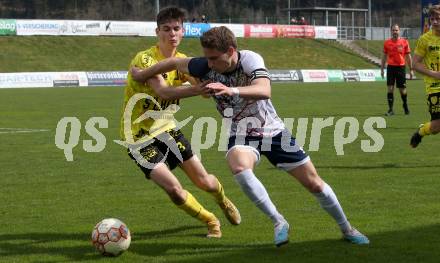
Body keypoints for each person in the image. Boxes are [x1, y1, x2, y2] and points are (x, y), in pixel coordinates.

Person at [131, 26, 369, 247]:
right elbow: (172, 63)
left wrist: (231, 90)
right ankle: (278, 221)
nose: (210, 64)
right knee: (239, 167)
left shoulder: (249, 59)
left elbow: (264, 90)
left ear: (231, 51)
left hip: (273, 131)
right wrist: (143, 75)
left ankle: (347, 229)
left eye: (215, 58)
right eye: (207, 58)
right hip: (241, 133)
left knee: (314, 183)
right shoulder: (204, 65)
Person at [120, 7, 241, 239]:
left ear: (183, 32)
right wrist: (197, 88)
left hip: (167, 129)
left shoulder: (184, 61)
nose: (171, 34)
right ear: (157, 32)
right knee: (174, 189)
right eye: (166, 29)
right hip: (138, 137)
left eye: (176, 29)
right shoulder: (144, 59)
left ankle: (222, 201)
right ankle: (211, 220)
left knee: (206, 182)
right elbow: (163, 92)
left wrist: (208, 81)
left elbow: (206, 93)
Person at [410, 5, 440, 147]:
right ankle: (421, 131)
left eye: (438, 18)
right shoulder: (425, 39)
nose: (435, 22)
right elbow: (415, 64)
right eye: (432, 19)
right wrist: (434, 74)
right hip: (434, 87)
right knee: (436, 127)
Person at [380, 24, 414, 116]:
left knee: (402, 90)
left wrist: (411, 69)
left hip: (400, 68)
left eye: (396, 30)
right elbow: (383, 57)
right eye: (393, 30)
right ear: (391, 31)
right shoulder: (387, 43)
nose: (395, 32)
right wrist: (382, 69)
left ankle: (405, 105)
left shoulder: (404, 42)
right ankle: (390, 110)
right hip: (390, 68)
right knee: (390, 89)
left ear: (399, 31)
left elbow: (408, 57)